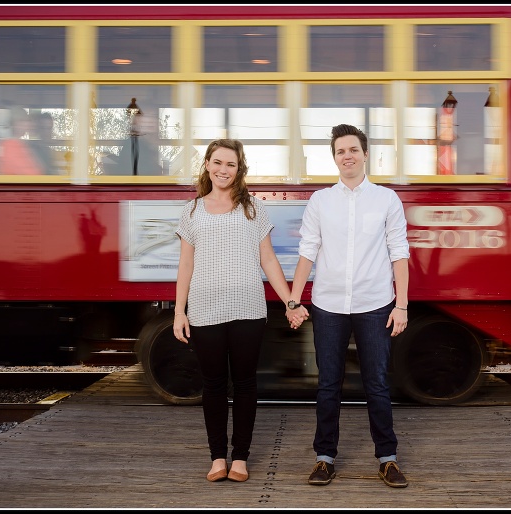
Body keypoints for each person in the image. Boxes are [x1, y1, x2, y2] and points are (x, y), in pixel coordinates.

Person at [286, 123, 410, 488]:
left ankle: (387, 458)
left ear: (365, 153)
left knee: (377, 384)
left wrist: (400, 306)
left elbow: (399, 254)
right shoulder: (321, 201)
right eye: (340, 151)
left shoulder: (387, 199)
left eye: (353, 149)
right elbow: (307, 252)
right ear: (335, 158)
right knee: (328, 385)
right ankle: (324, 458)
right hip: (328, 306)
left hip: (375, 304)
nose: (347, 156)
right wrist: (294, 300)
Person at [172, 138, 300, 483]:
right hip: (203, 308)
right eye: (217, 162)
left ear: (239, 168)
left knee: (244, 384)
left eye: (230, 164)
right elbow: (186, 264)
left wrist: (290, 301)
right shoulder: (192, 210)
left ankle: (240, 458)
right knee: (213, 385)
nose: (223, 169)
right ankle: (217, 457)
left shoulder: (254, 209)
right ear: (208, 165)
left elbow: (268, 260)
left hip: (248, 308)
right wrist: (179, 312)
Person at [111, 104, 163, 175]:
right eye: (146, 116)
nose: (151, 120)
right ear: (137, 121)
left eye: (153, 116)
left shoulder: (146, 145)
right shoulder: (133, 145)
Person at [0, 106, 48, 175]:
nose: (29, 124)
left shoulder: (21, 143)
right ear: (15, 124)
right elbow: (30, 173)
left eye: (27, 121)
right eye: (23, 121)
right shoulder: (9, 145)